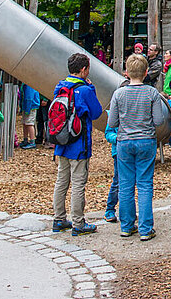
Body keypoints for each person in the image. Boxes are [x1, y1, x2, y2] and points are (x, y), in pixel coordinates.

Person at [106, 54, 168, 241]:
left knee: (125, 184)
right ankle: (145, 227)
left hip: (124, 141)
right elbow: (158, 120)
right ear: (146, 72)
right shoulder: (151, 93)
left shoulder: (119, 94)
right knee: (144, 184)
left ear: (126, 72)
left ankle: (126, 225)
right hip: (146, 140)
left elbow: (112, 121)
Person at [52, 53, 104, 236]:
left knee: (61, 181)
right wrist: (93, 89)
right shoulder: (84, 90)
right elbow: (96, 112)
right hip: (79, 143)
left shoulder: (61, 86)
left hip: (62, 142)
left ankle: (58, 218)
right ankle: (78, 223)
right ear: (84, 69)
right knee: (78, 183)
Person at [104, 120, 119, 224]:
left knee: (131, 183)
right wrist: (117, 139)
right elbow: (108, 133)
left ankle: (127, 211)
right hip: (119, 152)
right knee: (117, 182)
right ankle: (110, 210)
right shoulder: (114, 111)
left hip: (133, 151)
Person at [18, 83, 41, 149]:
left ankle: (32, 141)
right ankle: (25, 139)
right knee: (25, 123)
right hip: (26, 106)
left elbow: (29, 97)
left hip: (31, 106)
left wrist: (27, 109)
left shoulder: (30, 85)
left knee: (29, 123)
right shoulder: (25, 84)